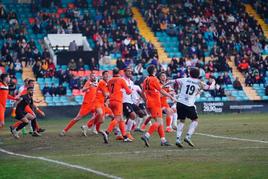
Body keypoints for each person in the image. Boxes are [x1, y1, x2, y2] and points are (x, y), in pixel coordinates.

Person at [164, 67, 215, 148]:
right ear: (198, 74)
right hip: (189, 104)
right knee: (195, 120)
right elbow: (210, 88)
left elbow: (171, 81)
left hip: (180, 103)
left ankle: (178, 139)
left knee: (181, 121)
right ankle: (188, 136)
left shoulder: (184, 79)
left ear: (190, 73)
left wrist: (162, 86)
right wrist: (213, 82)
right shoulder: (199, 83)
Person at [140, 65, 176, 147]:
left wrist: (146, 100)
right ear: (154, 71)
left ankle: (163, 140)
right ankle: (146, 135)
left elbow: (142, 93)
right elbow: (161, 90)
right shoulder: (154, 79)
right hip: (155, 103)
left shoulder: (145, 80)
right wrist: (171, 96)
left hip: (149, 103)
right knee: (158, 122)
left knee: (160, 122)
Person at [100, 68, 132, 143]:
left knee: (120, 119)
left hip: (111, 101)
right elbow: (128, 91)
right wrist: (130, 90)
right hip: (118, 101)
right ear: (119, 72)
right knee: (117, 118)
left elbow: (108, 90)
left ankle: (124, 136)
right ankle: (107, 132)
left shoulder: (110, 80)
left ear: (112, 73)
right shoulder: (121, 80)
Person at [80, 71, 111, 136]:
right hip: (97, 101)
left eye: (108, 75)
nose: (107, 76)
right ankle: (92, 128)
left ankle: (87, 127)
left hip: (102, 102)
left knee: (101, 120)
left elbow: (106, 95)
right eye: (105, 74)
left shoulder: (106, 83)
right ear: (102, 76)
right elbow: (106, 94)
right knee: (99, 113)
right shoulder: (102, 82)